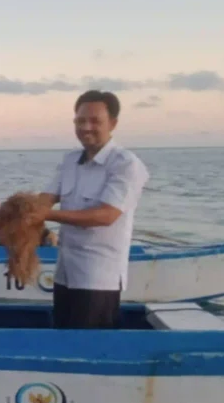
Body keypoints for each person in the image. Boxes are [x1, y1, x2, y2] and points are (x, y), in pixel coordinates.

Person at [40, 90, 149, 329]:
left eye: (95, 121)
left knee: (91, 342)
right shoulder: (70, 160)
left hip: (98, 278)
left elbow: (106, 215)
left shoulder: (126, 164)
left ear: (113, 124)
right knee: (63, 337)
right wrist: (20, 211)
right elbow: (45, 198)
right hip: (64, 274)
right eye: (80, 121)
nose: (86, 127)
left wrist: (45, 215)